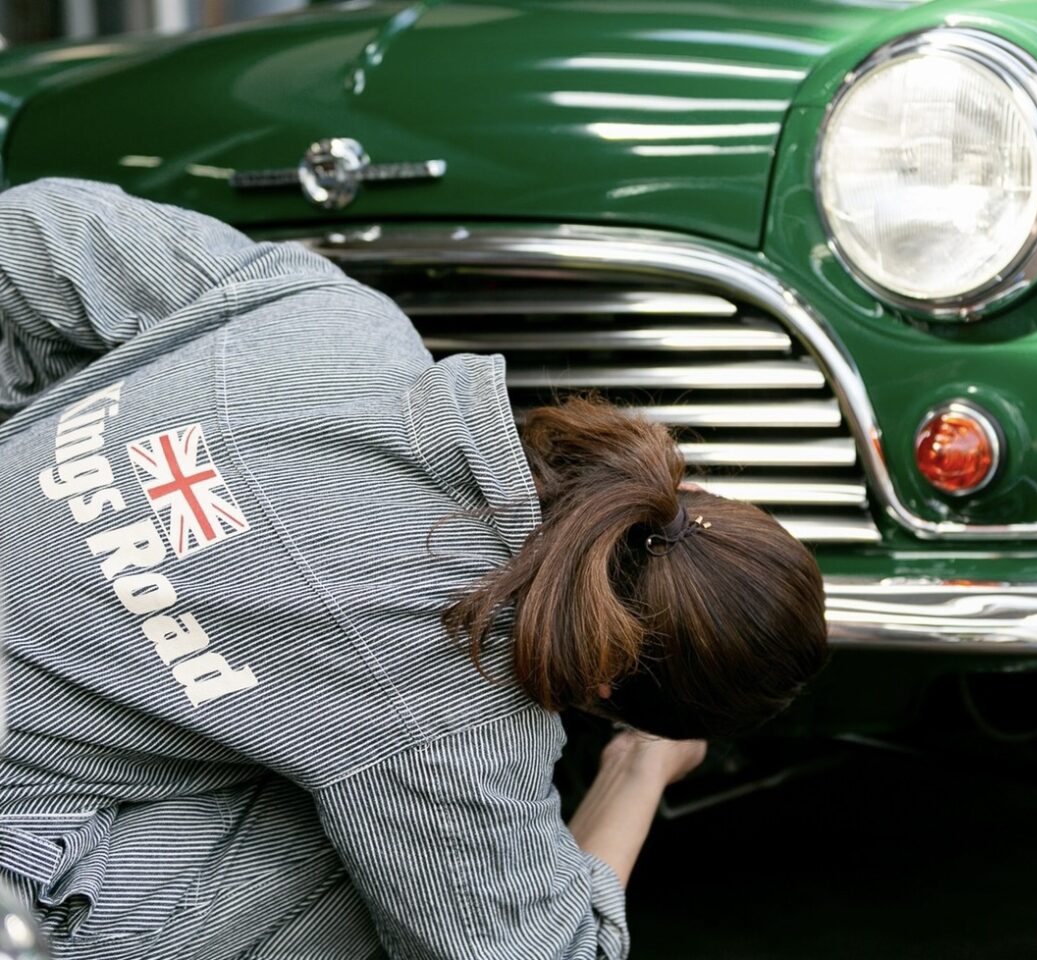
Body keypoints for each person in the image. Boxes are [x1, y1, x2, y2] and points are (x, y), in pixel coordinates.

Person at [0, 179, 828, 959]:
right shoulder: (450, 727)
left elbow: (39, 232)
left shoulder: (334, 319)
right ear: (608, 692)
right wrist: (639, 766)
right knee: (375, 853)